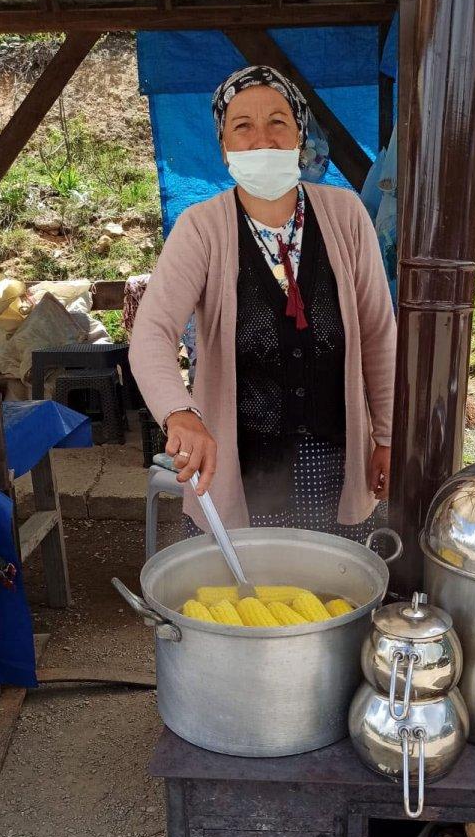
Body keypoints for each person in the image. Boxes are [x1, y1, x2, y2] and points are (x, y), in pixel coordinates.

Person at [129, 65, 396, 539]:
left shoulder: (346, 215)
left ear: (300, 136)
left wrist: (388, 437)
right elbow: (152, 332)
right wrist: (180, 412)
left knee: (333, 598)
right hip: (241, 467)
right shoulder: (201, 228)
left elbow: (378, 333)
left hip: (337, 463)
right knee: (248, 604)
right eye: (242, 125)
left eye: (278, 122)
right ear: (224, 146)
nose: (262, 139)